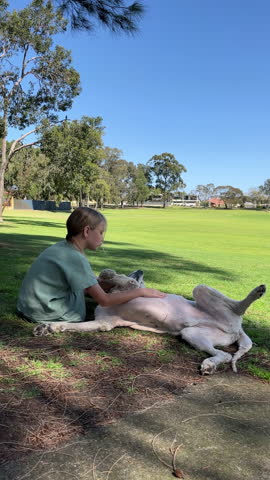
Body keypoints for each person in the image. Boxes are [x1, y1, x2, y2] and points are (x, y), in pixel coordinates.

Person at [17, 207, 166, 323]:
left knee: (94, 288)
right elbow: (104, 301)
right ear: (87, 231)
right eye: (101, 232)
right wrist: (141, 292)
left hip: (28, 308)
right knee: (98, 302)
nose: (103, 238)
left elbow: (70, 284)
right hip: (47, 313)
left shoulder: (61, 247)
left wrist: (97, 287)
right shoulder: (75, 257)